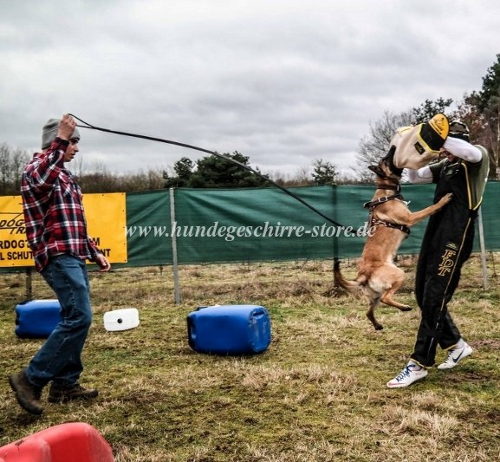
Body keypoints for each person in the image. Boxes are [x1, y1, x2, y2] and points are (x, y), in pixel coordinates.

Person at [9, 114, 111, 414]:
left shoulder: (65, 175)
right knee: (80, 316)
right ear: (56, 141)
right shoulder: (35, 170)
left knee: (73, 315)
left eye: (75, 142)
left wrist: (93, 251)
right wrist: (62, 137)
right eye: (73, 142)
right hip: (55, 255)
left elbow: (72, 222)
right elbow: (43, 177)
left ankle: (65, 383)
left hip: (73, 254)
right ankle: (30, 379)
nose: (76, 148)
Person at [387, 120, 490, 388]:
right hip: (436, 230)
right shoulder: (446, 165)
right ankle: (455, 344)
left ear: (457, 140)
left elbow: (467, 151)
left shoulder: (476, 157)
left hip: (456, 236)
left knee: (434, 296)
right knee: (422, 292)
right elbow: (414, 176)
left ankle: (419, 363)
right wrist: (408, 150)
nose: (443, 151)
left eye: (446, 145)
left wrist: (433, 138)